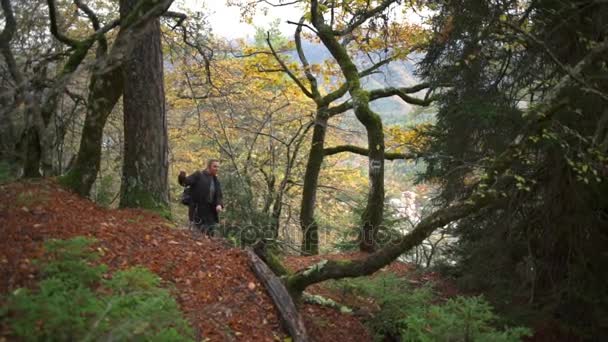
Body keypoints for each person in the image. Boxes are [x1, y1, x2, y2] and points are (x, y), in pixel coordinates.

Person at [178, 159, 224, 236]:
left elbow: (219, 195)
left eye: (218, 167)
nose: (217, 169)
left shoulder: (216, 181)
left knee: (210, 235)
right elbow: (185, 182)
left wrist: (219, 204)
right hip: (197, 210)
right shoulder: (198, 175)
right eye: (215, 166)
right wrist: (182, 176)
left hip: (211, 213)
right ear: (209, 167)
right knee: (197, 235)